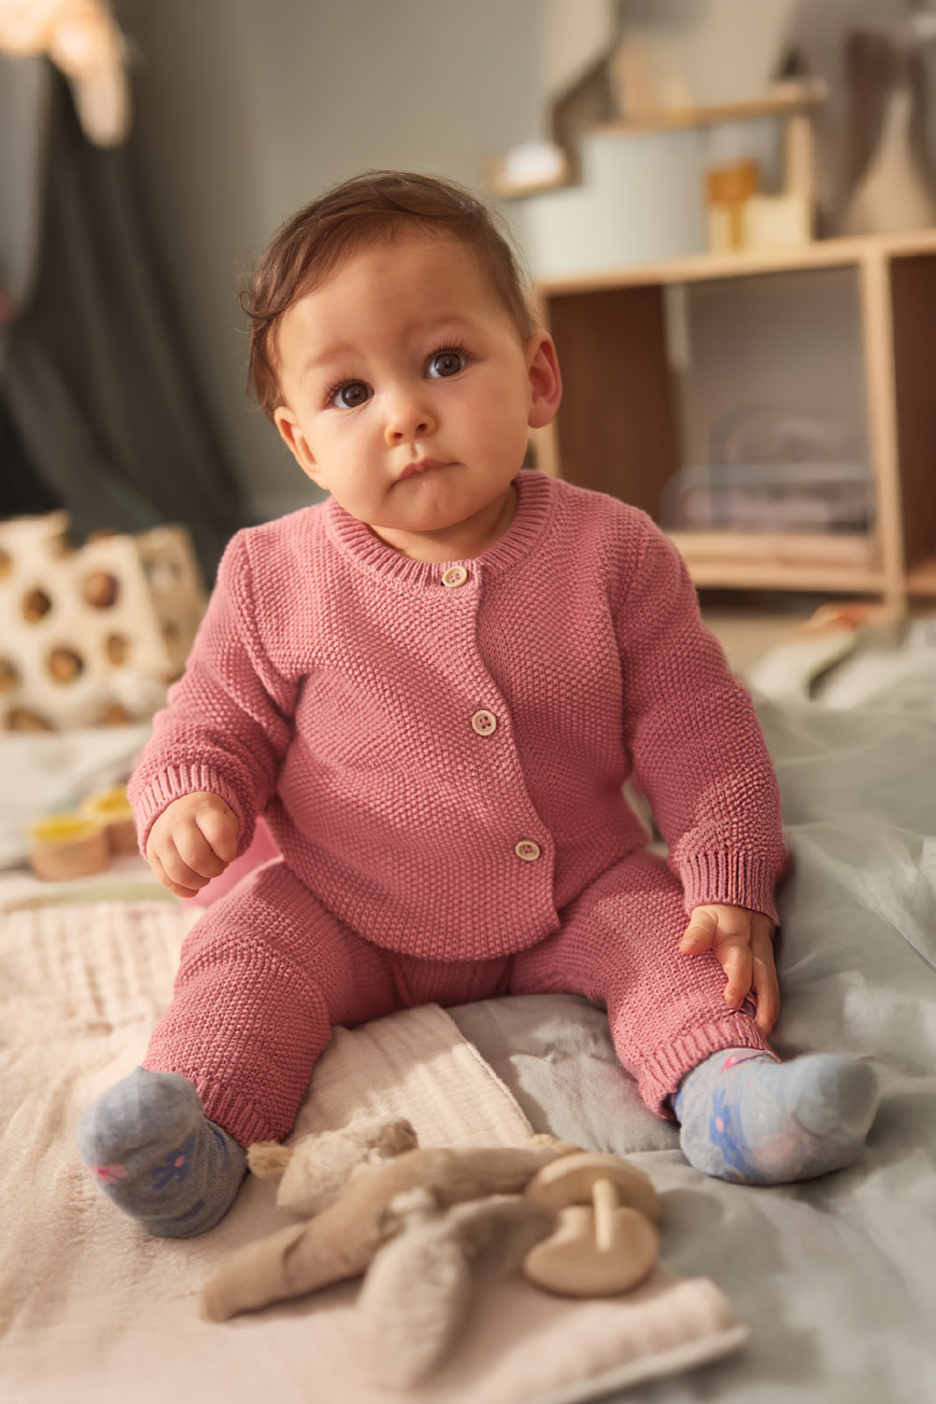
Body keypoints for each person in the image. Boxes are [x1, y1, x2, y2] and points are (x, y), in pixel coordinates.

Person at [79, 171, 879, 1237]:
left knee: (669, 941)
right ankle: (194, 1132)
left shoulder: (613, 551)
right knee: (242, 952)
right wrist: (190, 792)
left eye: (445, 363)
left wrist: (726, 872)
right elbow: (211, 713)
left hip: (573, 881)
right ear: (302, 444)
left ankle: (730, 1096)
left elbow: (701, 727)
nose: (406, 413)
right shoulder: (273, 573)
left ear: (540, 377)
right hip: (342, 896)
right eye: (349, 394)